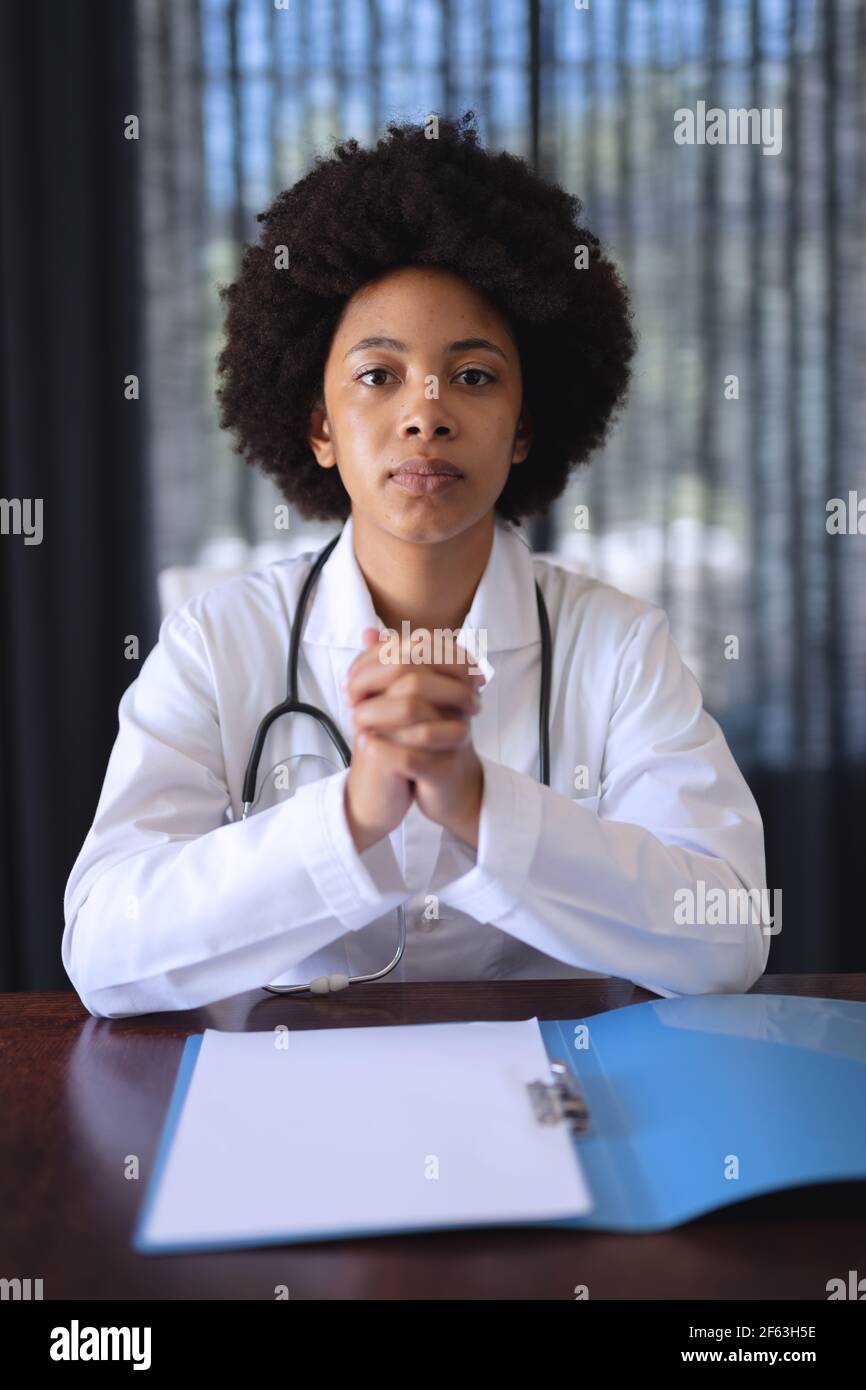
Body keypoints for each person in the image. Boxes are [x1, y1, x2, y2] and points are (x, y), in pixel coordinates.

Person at [62, 112, 769, 1018]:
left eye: (473, 377)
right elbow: (104, 950)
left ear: (524, 431)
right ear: (317, 424)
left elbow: (730, 936)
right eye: (377, 375)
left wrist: (480, 808)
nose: (426, 413)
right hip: (289, 1113)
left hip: (557, 1114)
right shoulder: (218, 637)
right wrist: (350, 819)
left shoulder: (619, 643)